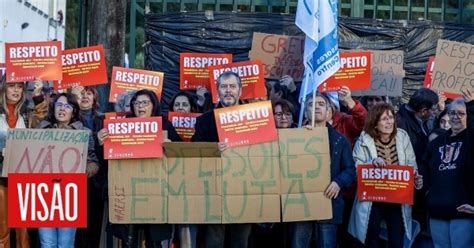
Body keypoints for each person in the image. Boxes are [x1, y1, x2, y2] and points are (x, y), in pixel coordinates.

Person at [98, 89, 181, 247]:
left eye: (145, 103)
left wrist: (172, 147)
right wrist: (102, 143)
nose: (140, 106)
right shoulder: (120, 128)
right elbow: (107, 161)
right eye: (136, 103)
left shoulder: (165, 125)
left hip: (157, 191)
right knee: (129, 239)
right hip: (129, 192)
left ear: (153, 106)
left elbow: (179, 157)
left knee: (154, 239)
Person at [348, 102, 422, 248]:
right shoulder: (364, 140)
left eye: (391, 118)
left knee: (397, 240)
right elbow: (355, 167)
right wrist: (371, 162)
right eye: (384, 119)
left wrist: (416, 179)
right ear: (375, 123)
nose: (390, 122)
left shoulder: (402, 137)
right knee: (371, 240)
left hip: (397, 198)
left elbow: (411, 164)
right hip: (372, 199)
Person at [191, 71, 251, 248]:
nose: (228, 91)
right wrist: (213, 148)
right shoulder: (204, 121)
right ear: (217, 91)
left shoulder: (255, 117)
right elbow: (195, 151)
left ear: (240, 91)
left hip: (246, 189)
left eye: (232, 86)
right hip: (214, 189)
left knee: (240, 241)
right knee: (214, 241)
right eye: (224, 87)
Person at [291, 93, 356, 248]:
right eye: (311, 104)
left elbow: (351, 170)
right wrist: (299, 139)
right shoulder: (293, 139)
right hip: (301, 206)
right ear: (305, 112)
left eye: (321, 104)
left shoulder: (340, 140)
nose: (316, 107)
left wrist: (338, 182)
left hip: (329, 204)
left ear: (329, 112)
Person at [36, 93, 100, 247]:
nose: (62, 109)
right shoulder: (40, 129)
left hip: (69, 194)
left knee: (65, 244)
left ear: (74, 111)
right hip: (44, 194)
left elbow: (93, 163)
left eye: (67, 106)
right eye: (59, 105)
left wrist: (81, 171)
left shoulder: (83, 133)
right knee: (47, 243)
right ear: (53, 108)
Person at [419, 89, 474, 248]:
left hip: (463, 211)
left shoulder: (471, 140)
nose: (455, 117)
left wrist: (471, 106)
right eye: (452, 113)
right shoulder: (436, 142)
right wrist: (425, 188)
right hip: (438, 209)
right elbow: (425, 166)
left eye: (461, 114)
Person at [71, 85, 106, 248]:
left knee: (94, 221)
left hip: (97, 179)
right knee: (77, 224)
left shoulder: (104, 119)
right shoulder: (71, 117)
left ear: (95, 98)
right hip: (74, 176)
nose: (85, 97)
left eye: (89, 93)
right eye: (82, 94)